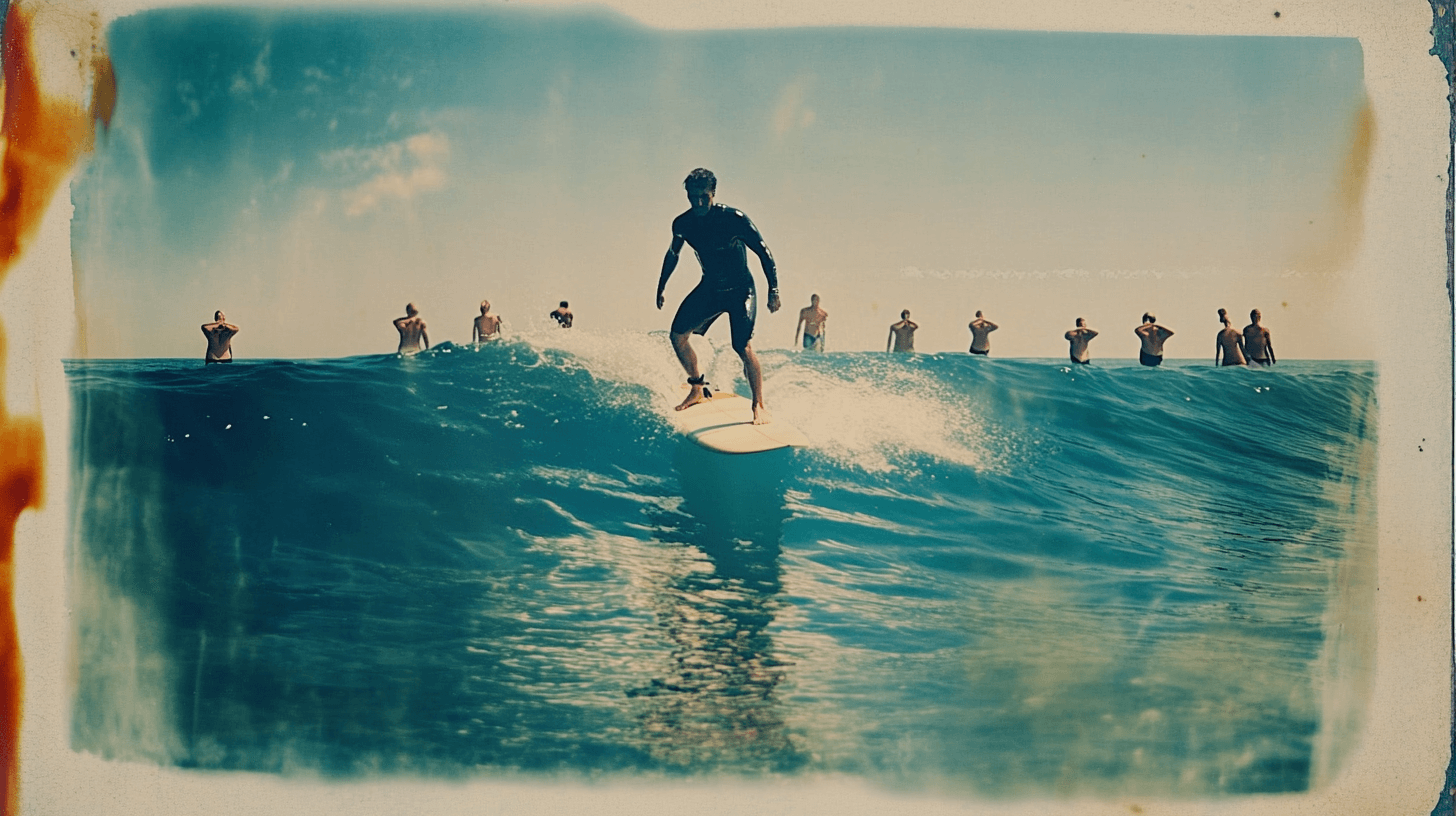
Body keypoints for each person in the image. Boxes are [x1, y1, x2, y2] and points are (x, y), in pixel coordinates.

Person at [656, 168, 782, 424]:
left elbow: (763, 251)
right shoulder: (683, 223)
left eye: (704, 196)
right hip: (711, 288)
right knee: (677, 335)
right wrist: (661, 286)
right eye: (693, 197)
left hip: (740, 290)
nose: (699, 203)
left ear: (713, 193)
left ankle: (759, 404)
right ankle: (697, 387)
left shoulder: (734, 219)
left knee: (742, 346)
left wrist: (773, 289)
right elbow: (673, 254)